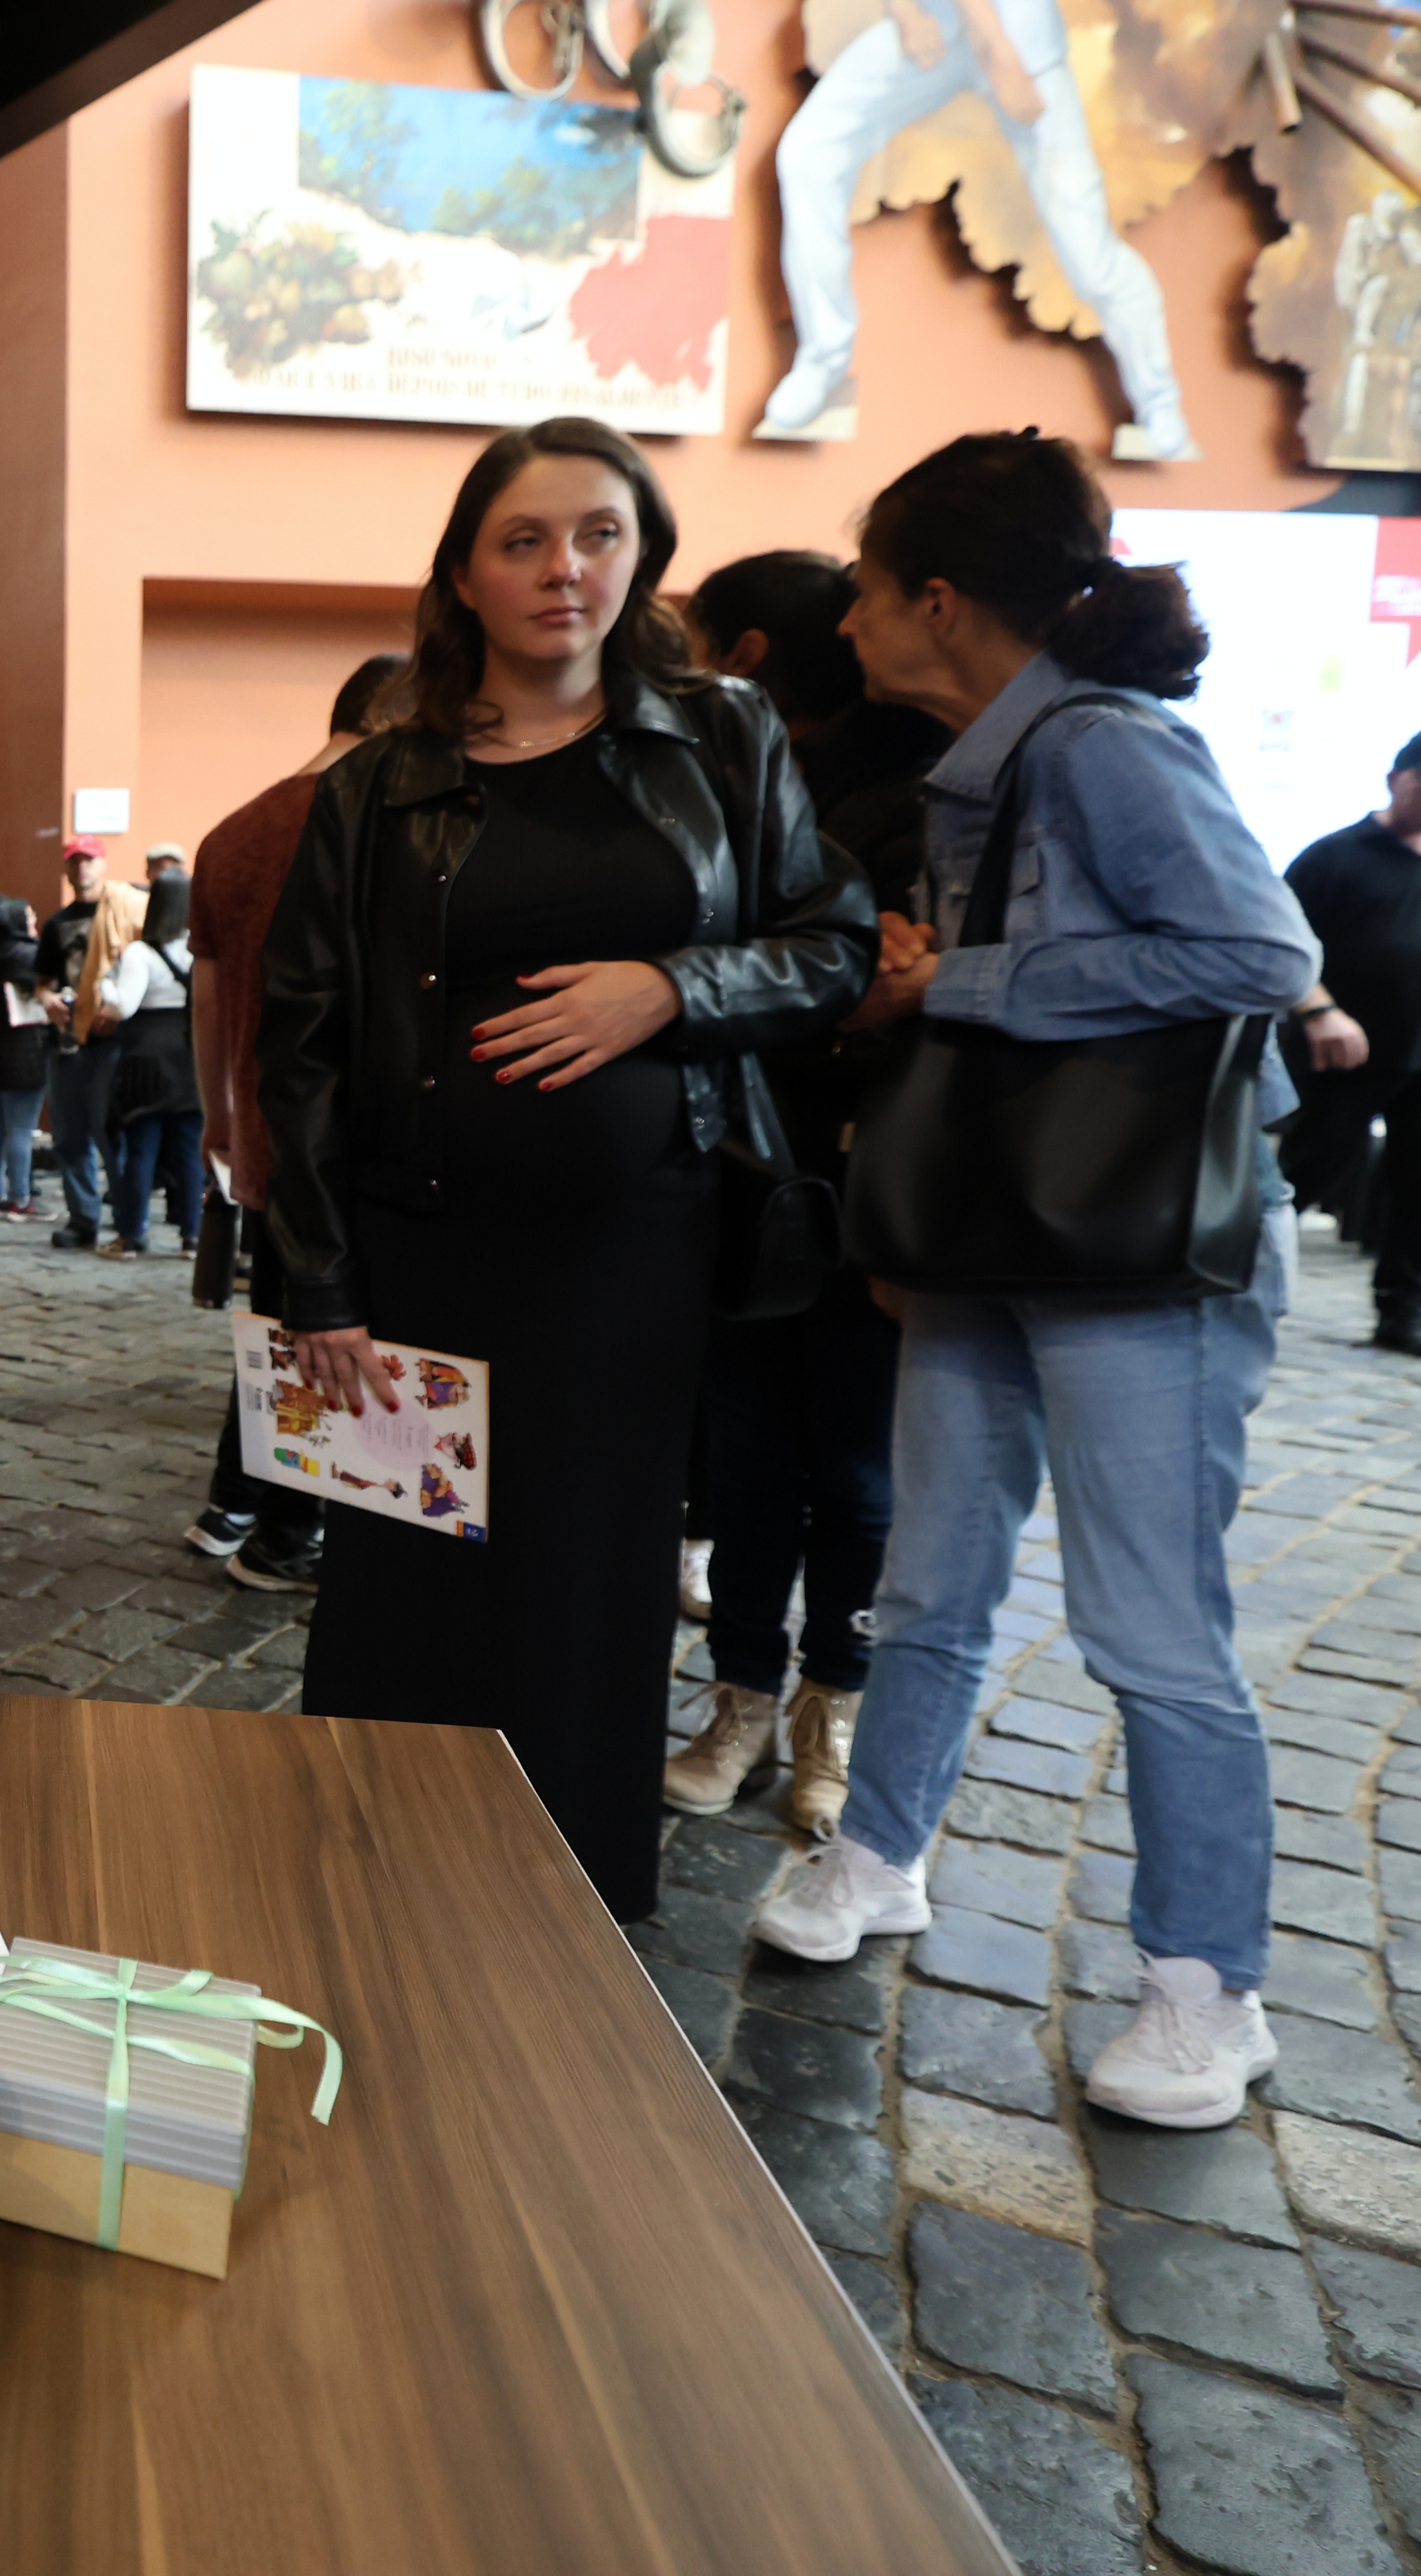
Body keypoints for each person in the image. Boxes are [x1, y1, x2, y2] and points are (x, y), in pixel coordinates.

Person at [753, 430, 1321, 2130]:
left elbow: (1257, 951)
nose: (847, 622)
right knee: (931, 1576)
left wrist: (966, 981)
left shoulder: (1106, 744)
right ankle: (879, 1852)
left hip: (1136, 1250)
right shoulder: (984, 767)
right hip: (998, 1226)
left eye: (866, 590)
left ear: (939, 600)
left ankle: (1208, 1988)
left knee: (1150, 1625)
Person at [258, 417, 873, 1921]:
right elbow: (303, 1037)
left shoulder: (719, 736)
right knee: (406, 1570)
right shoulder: (377, 781)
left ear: (643, 556)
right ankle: (372, 1879)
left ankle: (565, 1906)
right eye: (523, 539)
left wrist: (670, 987)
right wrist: (318, 1278)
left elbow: (831, 942)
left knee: (590, 1579)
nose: (563, 569)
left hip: (631, 1256)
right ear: (464, 573)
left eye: (600, 534)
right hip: (415, 1242)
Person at [659, 551, 951, 1836]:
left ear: (749, 657)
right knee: (746, 1460)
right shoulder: (720, 785)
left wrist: (810, 992)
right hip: (741, 1173)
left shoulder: (925, 789)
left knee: (859, 1473)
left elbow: (902, 993)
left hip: (870, 1183)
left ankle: (832, 1708)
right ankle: (739, 1700)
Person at [188, 653, 406, 1592]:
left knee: (282, 1329)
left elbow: (207, 1002)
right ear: (395, 718)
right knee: (348, 1340)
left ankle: (252, 1512)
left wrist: (221, 1118)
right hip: (368, 1137)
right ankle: (295, 1527)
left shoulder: (232, 833)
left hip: (267, 1133)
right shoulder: (384, 817)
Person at [760, 0, 1195, 461]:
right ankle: (822, 361)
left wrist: (1001, 53)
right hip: (941, 24)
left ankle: (1160, 404)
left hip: (1022, 45)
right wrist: (907, 15)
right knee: (807, 154)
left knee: (1087, 250)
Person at [1279, 730, 1421, 1353]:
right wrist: (1320, 1011)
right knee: (1312, 1166)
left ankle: (1404, 1312)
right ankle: (1229, 1284)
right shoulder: (1335, 856)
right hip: (1348, 1051)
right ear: (1397, 779)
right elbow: (1281, 947)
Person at [39, 839, 147, 1248]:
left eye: (89, 860)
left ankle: (127, 1222)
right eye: (75, 862)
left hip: (112, 1040)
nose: (82, 868)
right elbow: (43, 981)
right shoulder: (58, 923)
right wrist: (48, 1001)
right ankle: (83, 1219)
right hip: (68, 1040)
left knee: (111, 1134)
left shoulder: (126, 912)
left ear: (102, 864)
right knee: (68, 1136)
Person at [92, 864, 201, 1260]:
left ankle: (132, 1235)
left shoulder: (140, 953)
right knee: (189, 1153)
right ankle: (193, 1237)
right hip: (191, 1055)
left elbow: (122, 1007)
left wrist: (105, 984)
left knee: (141, 1149)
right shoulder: (198, 949)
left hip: (148, 1058)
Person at [0, 894, 52, 1219]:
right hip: (26, 1049)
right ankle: (21, 1198)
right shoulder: (28, 954)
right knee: (21, 1129)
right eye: (29, 917)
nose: (34, 922)